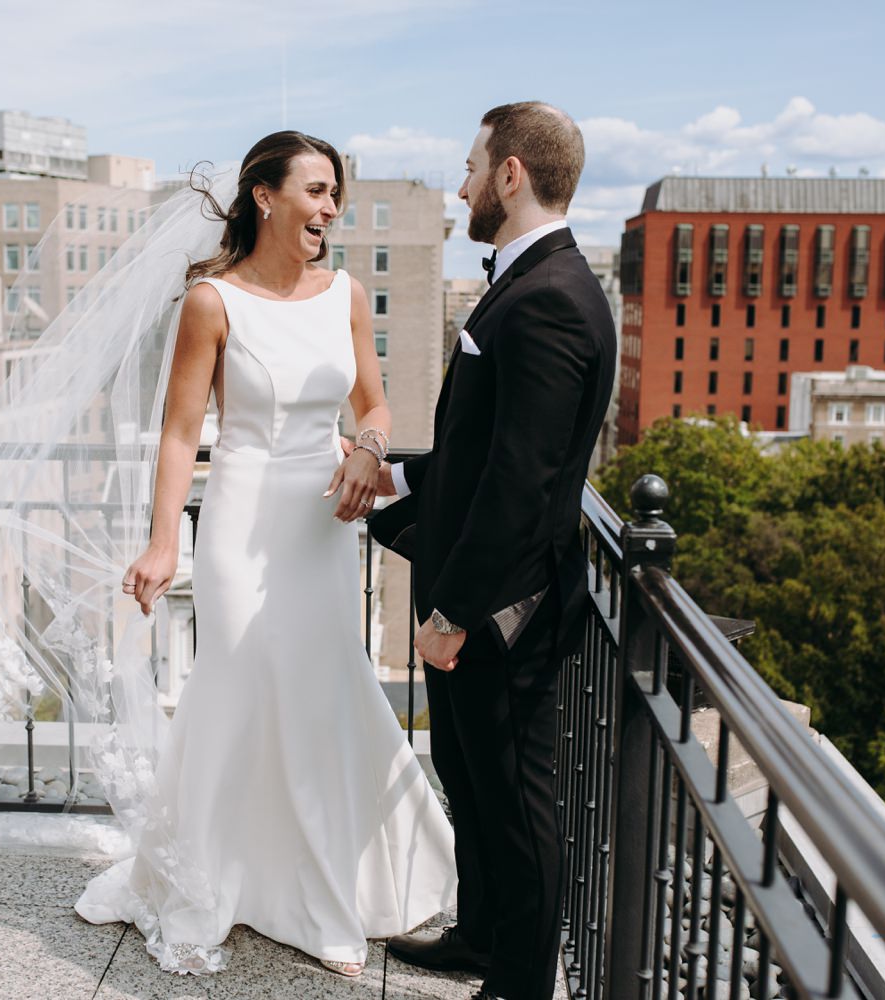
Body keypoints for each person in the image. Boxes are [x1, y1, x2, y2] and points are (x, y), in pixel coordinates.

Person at [73, 131, 456, 976]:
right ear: (265, 196)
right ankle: (216, 876)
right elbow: (180, 434)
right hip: (241, 520)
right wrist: (164, 539)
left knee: (319, 692)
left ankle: (322, 891)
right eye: (315, 191)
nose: (328, 209)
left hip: (321, 525)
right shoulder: (213, 302)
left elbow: (376, 403)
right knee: (242, 684)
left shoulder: (346, 294)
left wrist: (365, 447)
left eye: (335, 197)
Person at [370, 102, 617, 1000]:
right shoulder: (529, 280)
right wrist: (396, 489)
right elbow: (481, 450)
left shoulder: (550, 297)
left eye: (472, 165)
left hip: (502, 613)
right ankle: (480, 935)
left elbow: (522, 483)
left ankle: (518, 984)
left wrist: (450, 612)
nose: (463, 181)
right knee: (468, 777)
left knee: (516, 803)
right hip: (478, 598)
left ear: (511, 173)